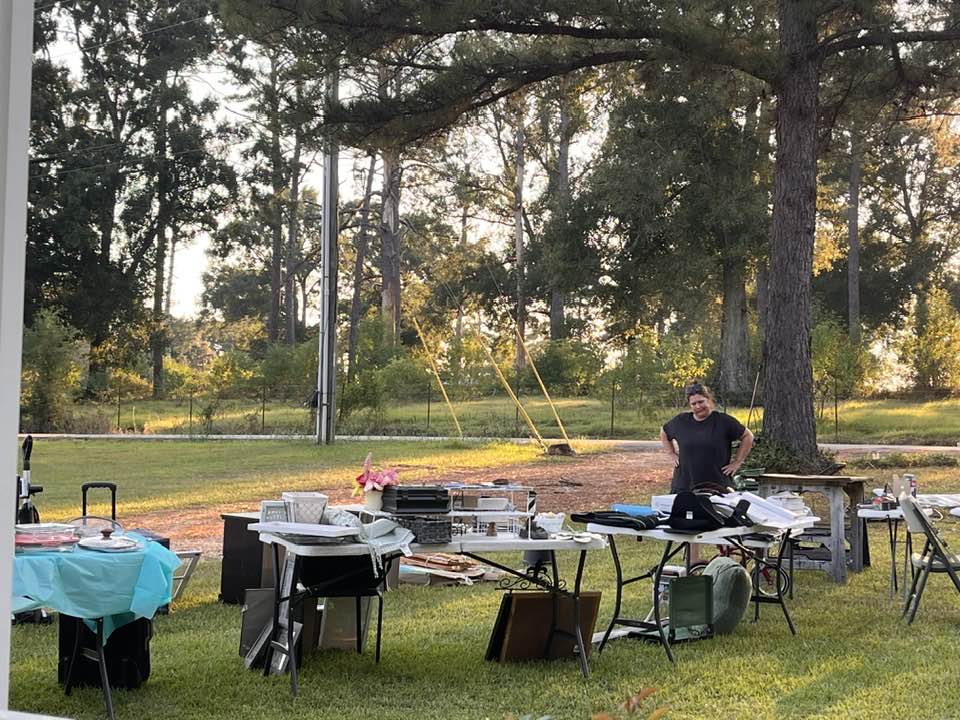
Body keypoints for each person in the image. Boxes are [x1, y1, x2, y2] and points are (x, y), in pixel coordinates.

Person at [660, 381, 754, 493]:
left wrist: (738, 462)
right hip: (684, 485)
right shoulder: (681, 421)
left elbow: (748, 436)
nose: (698, 406)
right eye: (693, 404)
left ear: (709, 400)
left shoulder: (723, 421)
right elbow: (664, 432)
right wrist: (671, 453)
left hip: (717, 484)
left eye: (701, 402)